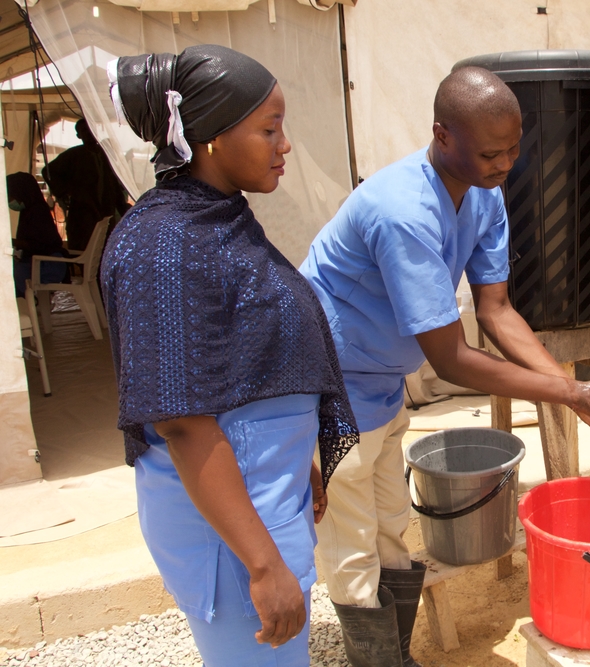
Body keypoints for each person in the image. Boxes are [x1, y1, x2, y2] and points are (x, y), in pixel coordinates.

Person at [300, 67, 590, 667]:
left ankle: (391, 657)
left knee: (390, 526)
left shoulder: (483, 195)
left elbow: (497, 309)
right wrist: (573, 396)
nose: (505, 163)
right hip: (329, 383)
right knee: (352, 543)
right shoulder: (403, 210)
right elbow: (451, 358)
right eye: (490, 152)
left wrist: (572, 389)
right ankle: (377, 660)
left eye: (515, 147)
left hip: (381, 381)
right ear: (442, 135)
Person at [101, 45, 358, 667]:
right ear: (212, 137)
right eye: (269, 128)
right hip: (235, 535)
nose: (285, 143)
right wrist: (263, 564)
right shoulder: (162, 243)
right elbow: (182, 419)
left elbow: (251, 361)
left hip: (264, 498)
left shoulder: (216, 218)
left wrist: (302, 461)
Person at [42, 118, 129, 250]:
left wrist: (123, 208)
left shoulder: (106, 155)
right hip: (82, 212)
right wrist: (66, 192)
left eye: (90, 130)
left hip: (106, 210)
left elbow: (114, 185)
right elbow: (48, 171)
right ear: (79, 135)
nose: (88, 134)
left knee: (106, 247)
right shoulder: (74, 155)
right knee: (84, 247)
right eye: (84, 131)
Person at [8, 172, 66, 297]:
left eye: (11, 195)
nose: (10, 200)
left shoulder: (37, 212)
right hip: (46, 263)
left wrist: (12, 242)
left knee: (8, 273)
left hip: (47, 266)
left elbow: (39, 245)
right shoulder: (32, 209)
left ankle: (27, 303)